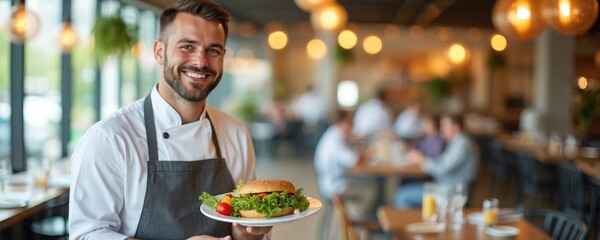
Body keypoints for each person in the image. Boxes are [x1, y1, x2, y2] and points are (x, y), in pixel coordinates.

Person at [68, 1, 271, 239]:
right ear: (159, 52)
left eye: (213, 50)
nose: (200, 61)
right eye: (187, 46)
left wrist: (247, 233)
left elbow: (244, 230)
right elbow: (87, 235)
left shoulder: (236, 133)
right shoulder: (110, 138)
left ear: (223, 56)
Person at [394, 114, 477, 209]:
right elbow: (442, 162)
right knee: (405, 187)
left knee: (402, 195)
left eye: (445, 125)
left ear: (456, 127)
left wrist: (422, 160)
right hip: (445, 187)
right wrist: (423, 159)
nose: (442, 129)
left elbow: (441, 169)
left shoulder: (461, 145)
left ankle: (408, 222)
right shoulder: (457, 142)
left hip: (449, 192)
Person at [314, 110, 376, 217]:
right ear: (343, 122)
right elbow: (353, 160)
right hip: (335, 186)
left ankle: (360, 219)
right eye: (350, 122)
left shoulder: (332, 133)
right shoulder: (335, 139)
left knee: (367, 181)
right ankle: (360, 222)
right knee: (371, 189)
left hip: (329, 181)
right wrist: (363, 154)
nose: (352, 125)